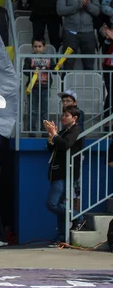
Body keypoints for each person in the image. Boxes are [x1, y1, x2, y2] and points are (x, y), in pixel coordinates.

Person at [43, 105, 83, 245]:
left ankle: (77, 216)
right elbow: (53, 148)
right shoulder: (64, 130)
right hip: (56, 172)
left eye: (67, 115)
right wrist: (50, 137)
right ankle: (60, 236)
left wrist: (54, 134)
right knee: (59, 205)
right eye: (63, 115)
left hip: (65, 173)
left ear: (75, 118)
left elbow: (66, 145)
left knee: (52, 204)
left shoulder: (75, 130)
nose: (63, 117)